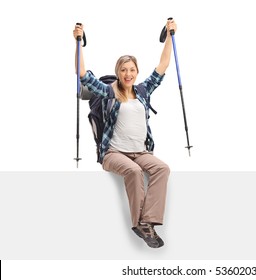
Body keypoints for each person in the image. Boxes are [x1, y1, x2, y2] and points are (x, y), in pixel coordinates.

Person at [73, 19, 176, 248]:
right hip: (114, 153)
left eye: (131, 70)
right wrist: (78, 42)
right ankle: (139, 224)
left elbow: (164, 64)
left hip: (140, 151)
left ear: (137, 72)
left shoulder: (142, 91)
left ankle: (148, 221)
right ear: (118, 72)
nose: (128, 74)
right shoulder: (109, 91)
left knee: (162, 168)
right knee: (134, 171)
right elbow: (82, 74)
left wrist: (169, 35)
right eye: (123, 70)